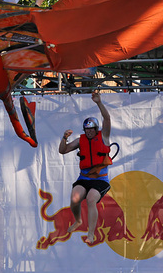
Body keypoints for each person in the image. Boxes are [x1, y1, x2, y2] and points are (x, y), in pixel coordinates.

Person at [58, 90, 112, 244]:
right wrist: (64, 138)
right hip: (84, 178)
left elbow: (107, 118)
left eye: (91, 129)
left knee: (90, 199)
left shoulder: (104, 137)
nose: (88, 132)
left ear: (96, 129)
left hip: (100, 180)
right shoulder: (80, 140)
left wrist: (98, 102)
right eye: (86, 130)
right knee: (74, 198)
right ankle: (78, 221)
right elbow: (63, 150)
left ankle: (90, 234)